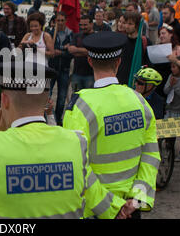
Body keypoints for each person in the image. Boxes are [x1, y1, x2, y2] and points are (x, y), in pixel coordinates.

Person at [0, 58, 131, 219]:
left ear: (4, 100)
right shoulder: (77, 142)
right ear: (47, 100)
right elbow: (89, 187)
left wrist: (0, 134)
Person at [63, 31, 160, 219]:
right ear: (119, 62)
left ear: (90, 61)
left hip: (97, 210)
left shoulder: (80, 106)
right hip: (131, 207)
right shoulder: (140, 101)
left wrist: (111, 208)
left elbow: (76, 165)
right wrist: (137, 199)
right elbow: (151, 155)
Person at [46, 11, 74, 124]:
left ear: (66, 21)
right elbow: (50, 50)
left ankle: (58, 120)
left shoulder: (70, 34)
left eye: (62, 20)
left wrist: (61, 51)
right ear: (55, 21)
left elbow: (71, 52)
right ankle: (48, 117)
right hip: (51, 68)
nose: (60, 23)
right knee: (47, 95)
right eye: (58, 20)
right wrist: (63, 48)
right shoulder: (50, 33)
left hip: (64, 69)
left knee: (62, 98)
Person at [163, 56, 180, 162]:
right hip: (170, 109)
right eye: (171, 67)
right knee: (170, 133)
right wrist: (170, 85)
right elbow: (165, 90)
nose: (172, 69)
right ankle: (170, 152)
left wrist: (175, 87)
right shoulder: (170, 77)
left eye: (174, 67)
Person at [116, 11, 152, 86]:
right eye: (126, 23)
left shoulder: (145, 42)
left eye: (130, 24)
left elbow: (149, 64)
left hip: (137, 83)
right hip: (121, 82)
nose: (126, 26)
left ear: (137, 25)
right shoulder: (121, 40)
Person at [68, 14, 95, 92]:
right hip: (76, 74)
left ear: (91, 24)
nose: (83, 27)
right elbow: (71, 50)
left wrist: (77, 49)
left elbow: (93, 52)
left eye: (85, 25)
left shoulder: (96, 37)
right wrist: (86, 51)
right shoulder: (77, 36)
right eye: (81, 25)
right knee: (76, 98)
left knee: (89, 100)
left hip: (90, 75)